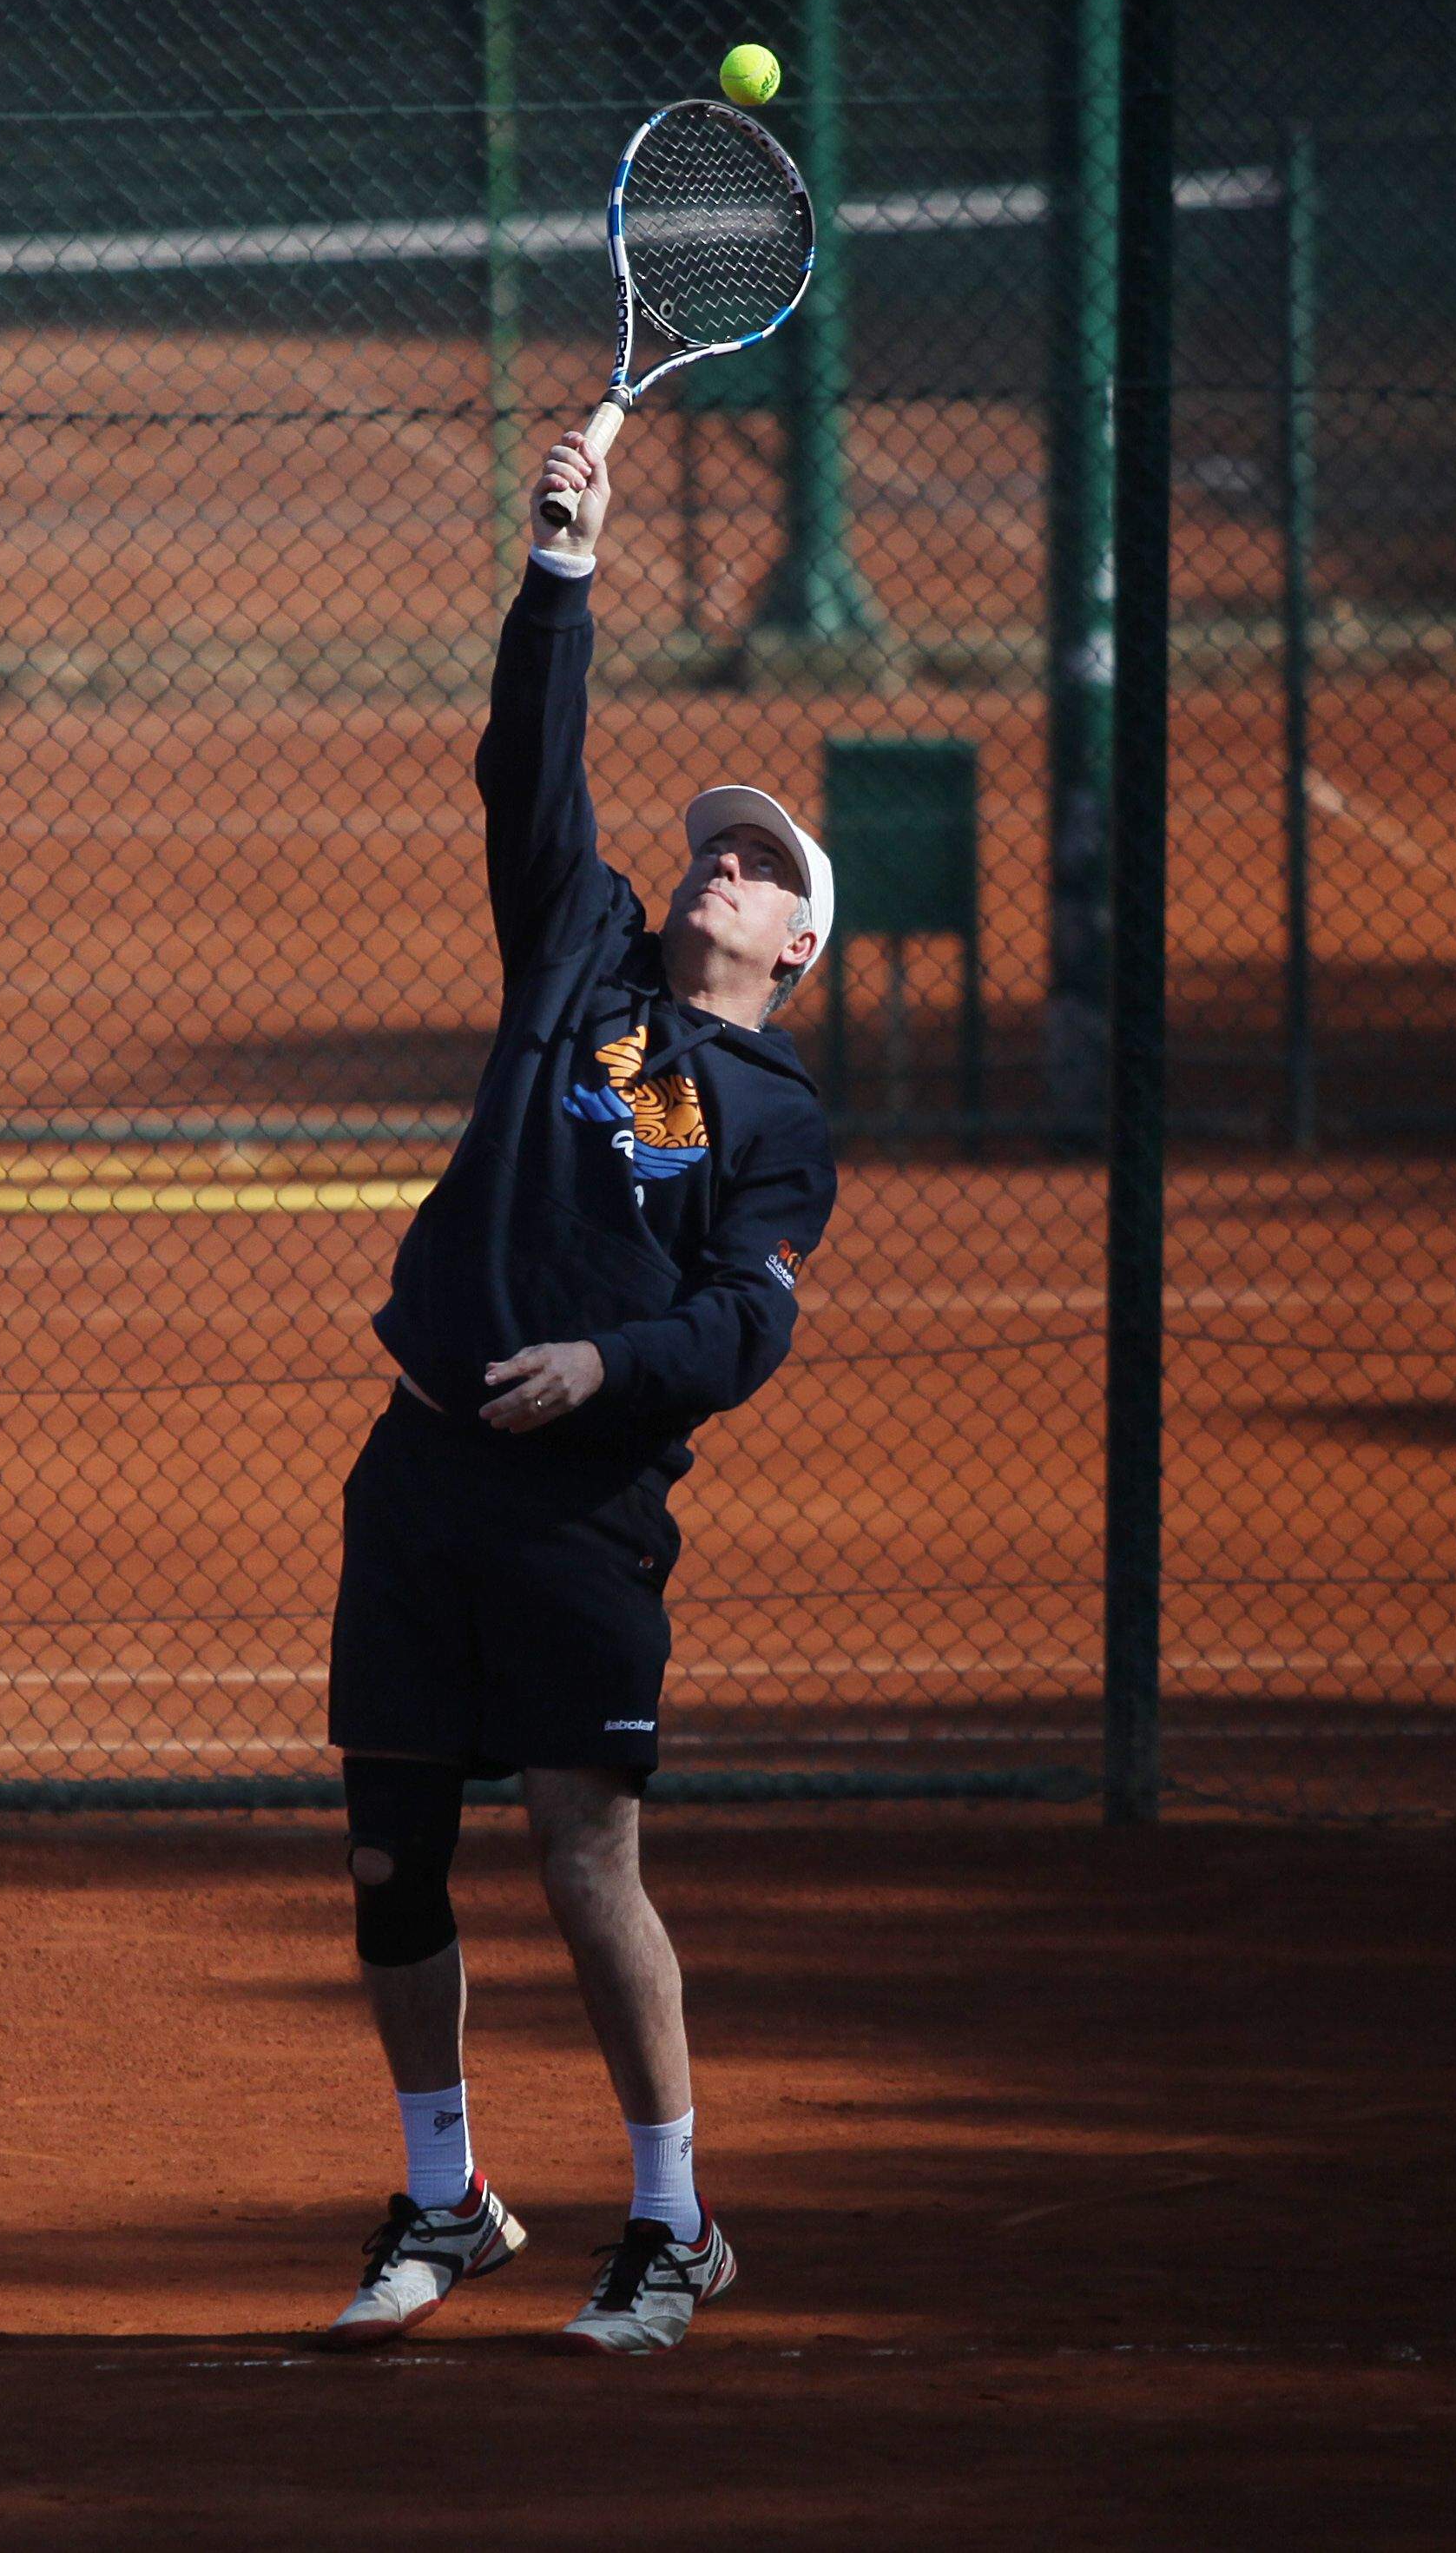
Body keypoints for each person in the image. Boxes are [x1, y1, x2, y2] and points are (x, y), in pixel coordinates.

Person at [318, 426, 839, 2358]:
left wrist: (603, 1364)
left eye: (764, 865)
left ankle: (670, 2219)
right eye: (716, 837)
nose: (725, 858)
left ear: (796, 945)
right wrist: (562, 571)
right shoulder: (581, 953)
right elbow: (520, 775)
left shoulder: (776, 1121)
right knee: (388, 1850)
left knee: (578, 1846)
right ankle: (443, 2198)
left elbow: (739, 1330)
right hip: (423, 1470)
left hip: (577, 1506)